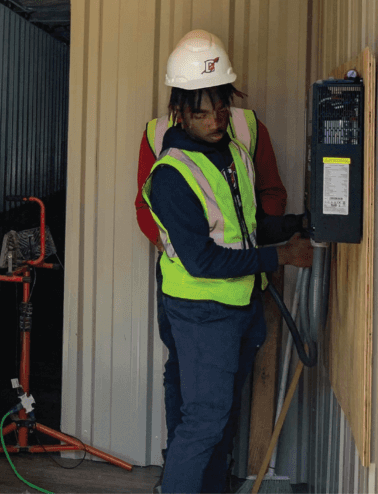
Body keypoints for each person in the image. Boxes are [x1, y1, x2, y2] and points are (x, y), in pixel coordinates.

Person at [141, 31, 313, 493]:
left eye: (220, 107)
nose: (216, 119)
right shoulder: (173, 175)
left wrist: (300, 222)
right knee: (202, 423)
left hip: (239, 306)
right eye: (201, 110)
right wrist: (281, 256)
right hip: (202, 312)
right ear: (180, 111)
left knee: (219, 419)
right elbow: (201, 259)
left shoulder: (234, 152)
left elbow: (246, 226)